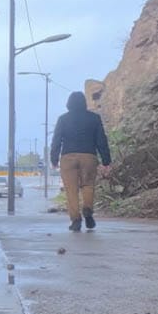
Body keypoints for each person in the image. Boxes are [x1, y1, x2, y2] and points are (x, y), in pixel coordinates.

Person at [50, 91, 112, 232]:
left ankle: (76, 220)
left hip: (68, 157)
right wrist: (106, 161)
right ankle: (88, 210)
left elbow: (56, 141)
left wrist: (54, 159)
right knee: (88, 186)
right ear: (84, 103)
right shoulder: (94, 118)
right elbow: (101, 140)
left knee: (71, 190)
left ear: (68, 104)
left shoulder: (63, 119)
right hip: (88, 157)